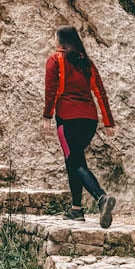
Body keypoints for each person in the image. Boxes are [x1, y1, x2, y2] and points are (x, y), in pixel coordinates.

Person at [43, 26, 117, 227]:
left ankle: (101, 198)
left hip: (67, 120)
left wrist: (47, 116)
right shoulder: (86, 63)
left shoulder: (55, 60)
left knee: (75, 163)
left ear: (61, 42)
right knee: (74, 160)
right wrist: (108, 122)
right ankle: (76, 209)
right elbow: (100, 92)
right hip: (89, 121)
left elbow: (51, 91)